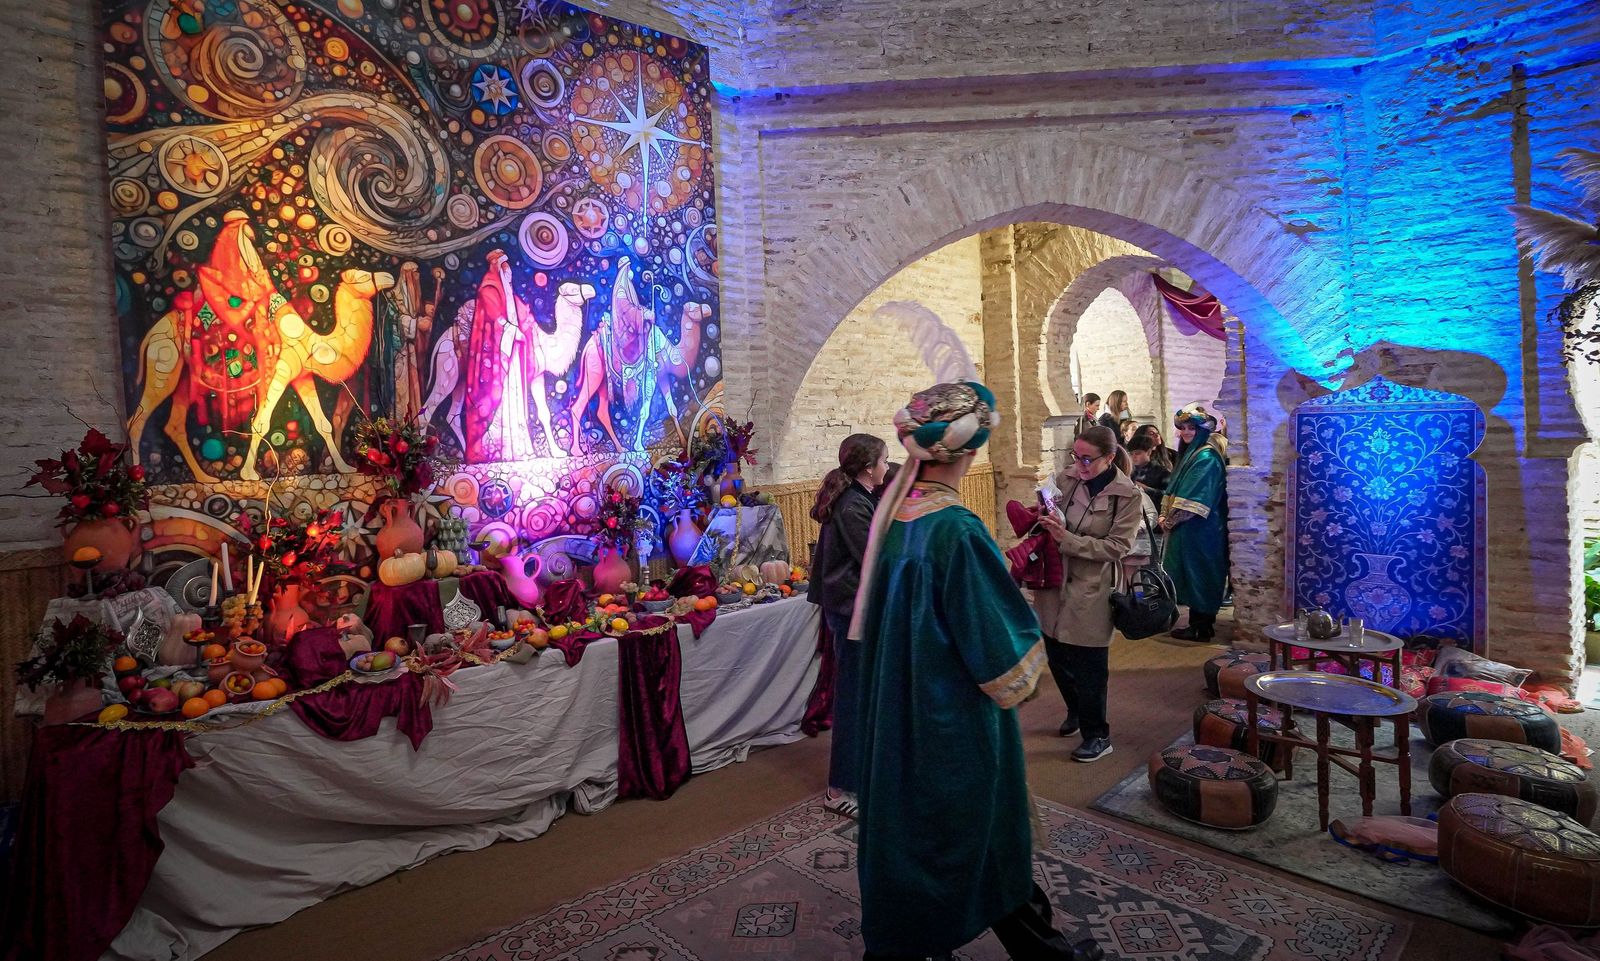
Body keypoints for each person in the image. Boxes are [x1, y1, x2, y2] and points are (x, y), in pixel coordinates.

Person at [851, 382, 1102, 961]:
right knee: (978, 832)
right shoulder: (957, 530)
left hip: (898, 708)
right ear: (971, 449)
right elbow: (1000, 650)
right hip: (950, 717)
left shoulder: (894, 520)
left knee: (920, 831)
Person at [1032, 425, 1142, 762]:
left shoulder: (1128, 495)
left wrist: (1065, 538)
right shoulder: (1066, 479)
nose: (1079, 465)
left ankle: (1097, 735)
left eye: (1086, 459)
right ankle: (1076, 711)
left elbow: (1117, 547)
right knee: (1056, 653)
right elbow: (1052, 513)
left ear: (1109, 458)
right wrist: (1042, 515)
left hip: (1092, 586)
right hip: (1054, 580)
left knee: (1089, 665)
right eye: (1075, 456)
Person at [808, 434, 890, 818]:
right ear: (868, 468)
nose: (887, 467)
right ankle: (839, 788)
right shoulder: (853, 505)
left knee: (864, 695)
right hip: (850, 610)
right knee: (853, 699)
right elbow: (876, 557)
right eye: (884, 461)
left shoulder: (860, 496)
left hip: (853, 608)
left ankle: (863, 775)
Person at [1161, 404, 1230, 641]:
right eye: (1183, 428)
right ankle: (1197, 624)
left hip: (1202, 529)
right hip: (1189, 529)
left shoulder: (1205, 457)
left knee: (1201, 574)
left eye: (1191, 428)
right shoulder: (1193, 454)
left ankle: (1202, 627)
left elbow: (1195, 499)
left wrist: (1169, 521)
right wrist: (1166, 517)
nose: (1186, 432)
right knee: (1191, 574)